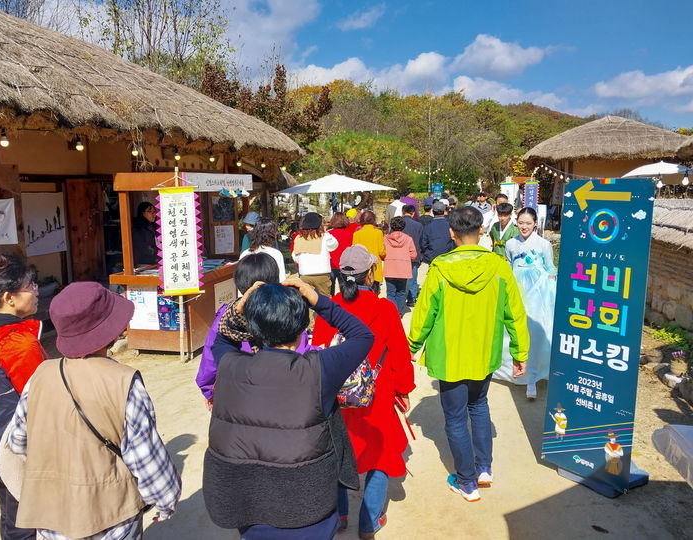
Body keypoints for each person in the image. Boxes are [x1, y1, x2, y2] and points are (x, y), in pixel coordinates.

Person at [203, 278, 374, 539]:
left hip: (249, 504)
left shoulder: (230, 365)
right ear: (301, 327)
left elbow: (221, 339)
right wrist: (317, 300)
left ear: (253, 327)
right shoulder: (318, 369)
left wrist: (240, 307)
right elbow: (363, 335)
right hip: (308, 505)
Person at [8, 282, 181, 538]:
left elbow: (17, 441)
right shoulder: (124, 382)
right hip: (111, 517)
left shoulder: (40, 375)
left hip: (52, 515)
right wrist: (166, 501)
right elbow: (145, 458)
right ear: (110, 331)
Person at [408, 207, 529, 502]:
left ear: (452, 233)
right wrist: (519, 352)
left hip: (449, 355)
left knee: (456, 418)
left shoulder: (440, 268)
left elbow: (424, 314)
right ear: (481, 231)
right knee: (479, 405)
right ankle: (484, 468)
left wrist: (411, 346)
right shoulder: (499, 267)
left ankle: (466, 481)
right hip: (483, 352)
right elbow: (515, 313)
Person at [312, 245, 416, 538]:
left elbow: (319, 348)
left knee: (337, 451)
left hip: (336, 392)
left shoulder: (328, 308)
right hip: (377, 391)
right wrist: (404, 388)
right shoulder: (384, 309)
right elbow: (398, 352)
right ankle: (369, 522)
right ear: (370, 275)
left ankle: (340, 514)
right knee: (379, 453)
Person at [0, 252, 43, 540]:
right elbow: (42, 396)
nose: (36, 290)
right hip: (14, 442)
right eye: (30, 285)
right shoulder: (16, 341)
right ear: (8, 297)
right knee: (26, 517)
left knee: (12, 511)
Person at [197, 253, 315, 411]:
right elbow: (302, 349)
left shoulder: (227, 317)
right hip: (284, 390)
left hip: (240, 393)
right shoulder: (287, 311)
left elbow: (211, 355)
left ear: (239, 283)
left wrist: (209, 391)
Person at [503, 206, 557, 399]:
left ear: (535, 224)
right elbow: (509, 267)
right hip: (517, 293)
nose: (524, 226)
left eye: (528, 223)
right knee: (514, 333)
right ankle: (515, 370)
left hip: (538, 295)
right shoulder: (510, 243)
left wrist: (550, 280)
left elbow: (550, 267)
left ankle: (532, 378)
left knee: (534, 335)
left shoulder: (544, 244)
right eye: (521, 222)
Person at [292, 212, 339, 297]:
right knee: (325, 299)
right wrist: (325, 232)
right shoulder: (324, 236)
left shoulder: (299, 238)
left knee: (306, 299)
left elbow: (295, 257)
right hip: (322, 275)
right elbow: (334, 245)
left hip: (305, 274)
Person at [383, 217, 417, 315]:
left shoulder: (386, 238)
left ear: (391, 226)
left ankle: (392, 312)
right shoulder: (408, 239)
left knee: (390, 293)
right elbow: (413, 254)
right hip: (403, 268)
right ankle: (399, 312)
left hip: (390, 268)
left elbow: (382, 252)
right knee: (401, 292)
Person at [239, 217, 286, 282]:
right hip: (269, 291)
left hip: (249, 291)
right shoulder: (275, 254)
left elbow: (240, 279)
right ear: (271, 234)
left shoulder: (245, 253)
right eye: (276, 231)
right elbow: (281, 279)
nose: (277, 234)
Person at [352, 211, 386, 294]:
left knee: (361, 293)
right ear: (373, 219)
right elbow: (381, 251)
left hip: (361, 268)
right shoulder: (378, 233)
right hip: (374, 267)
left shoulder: (357, 234)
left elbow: (354, 252)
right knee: (374, 292)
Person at [327, 212, 355, 296]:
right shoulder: (350, 235)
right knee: (345, 290)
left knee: (330, 290)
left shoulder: (328, 234)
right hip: (345, 265)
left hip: (331, 264)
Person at [420, 201, 454, 265]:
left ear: (433, 212)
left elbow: (423, 244)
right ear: (444, 211)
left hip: (431, 257)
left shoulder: (427, 226)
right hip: (447, 256)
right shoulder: (450, 225)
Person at [402, 204, 423, 306]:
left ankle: (401, 298)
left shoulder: (398, 223)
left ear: (403, 212)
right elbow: (421, 241)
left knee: (400, 278)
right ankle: (411, 298)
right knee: (413, 278)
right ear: (413, 213)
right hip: (414, 254)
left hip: (400, 255)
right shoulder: (418, 225)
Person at [131, 201, 158, 266]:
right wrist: (157, 251)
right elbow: (143, 247)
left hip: (154, 261)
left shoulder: (153, 226)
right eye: (150, 211)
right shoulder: (138, 228)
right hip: (143, 263)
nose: (154, 214)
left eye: (154, 212)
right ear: (143, 213)